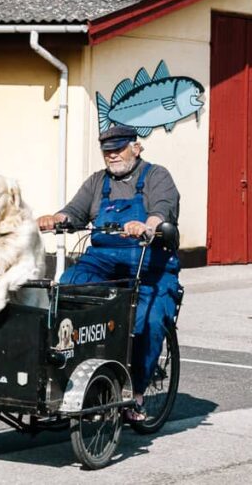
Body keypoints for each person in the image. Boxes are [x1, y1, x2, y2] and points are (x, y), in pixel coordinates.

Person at [37, 124, 181, 422]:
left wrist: (147, 226)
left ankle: (136, 393)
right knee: (67, 290)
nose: (112, 156)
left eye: (118, 149)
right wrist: (57, 218)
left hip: (149, 265)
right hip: (101, 262)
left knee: (147, 321)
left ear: (136, 148)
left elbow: (162, 209)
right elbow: (75, 212)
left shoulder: (157, 176)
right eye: (107, 151)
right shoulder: (97, 183)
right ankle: (70, 380)